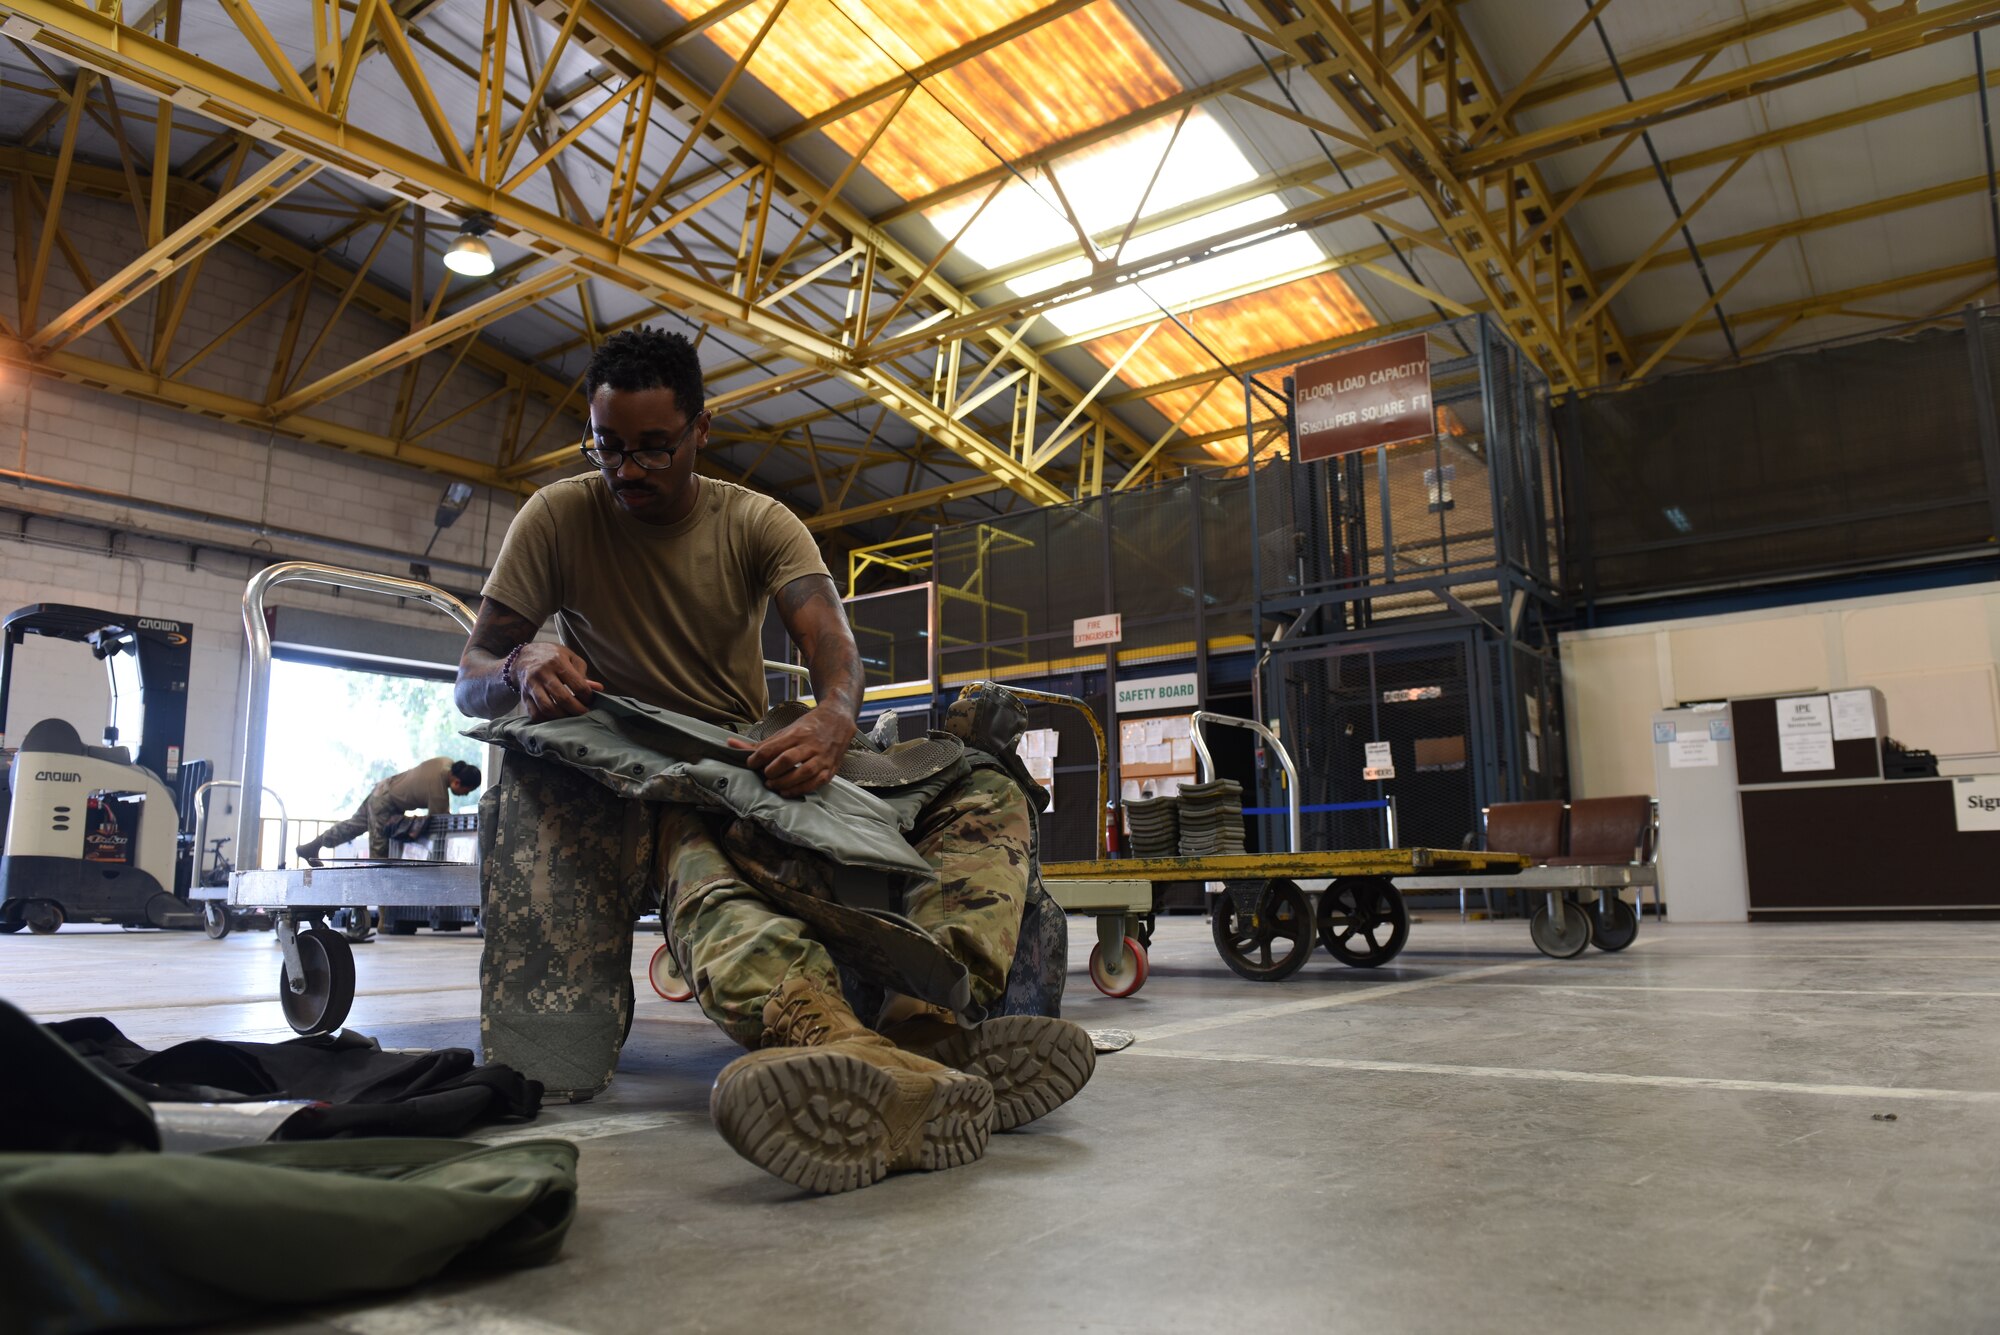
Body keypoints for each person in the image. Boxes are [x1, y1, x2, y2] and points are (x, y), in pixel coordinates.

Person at [456, 325, 1092, 1195]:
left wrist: (835, 719)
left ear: (699, 432)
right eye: (608, 447)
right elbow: (471, 678)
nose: (627, 470)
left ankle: (930, 1013)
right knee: (698, 861)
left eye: (653, 448)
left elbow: (832, 642)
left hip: (747, 750)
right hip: (634, 767)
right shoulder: (559, 516)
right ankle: (831, 1037)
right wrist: (523, 662)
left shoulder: (755, 520)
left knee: (981, 784)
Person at [297, 757, 479, 866]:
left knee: (355, 826)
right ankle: (383, 917)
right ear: (456, 782)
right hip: (385, 804)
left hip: (382, 790)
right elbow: (441, 827)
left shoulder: (445, 762)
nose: (465, 795)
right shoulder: (438, 789)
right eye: (467, 791)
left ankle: (313, 846)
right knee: (380, 856)